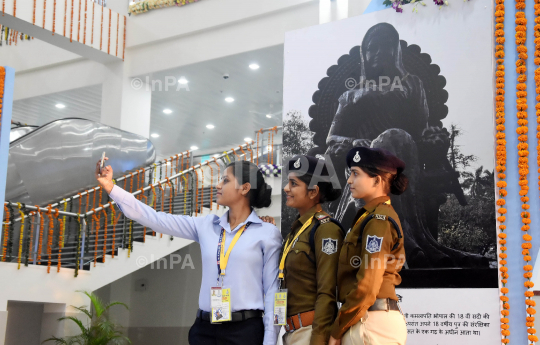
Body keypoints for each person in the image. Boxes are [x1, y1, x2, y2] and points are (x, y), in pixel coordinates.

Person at [95, 158, 282, 345]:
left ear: (245, 188)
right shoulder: (206, 225)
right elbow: (154, 219)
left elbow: (273, 292)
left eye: (225, 180)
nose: (217, 185)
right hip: (204, 331)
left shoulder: (267, 233)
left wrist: (270, 342)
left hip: (245, 332)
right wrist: (111, 187)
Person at [329, 147, 408, 345]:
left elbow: (367, 285)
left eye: (356, 174)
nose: (349, 180)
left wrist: (337, 330)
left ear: (377, 180)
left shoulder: (378, 220)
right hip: (370, 319)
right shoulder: (370, 216)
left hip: (370, 322)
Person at [279, 155, 344, 345]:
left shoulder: (326, 228)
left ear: (313, 192)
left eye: (293, 183)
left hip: (311, 332)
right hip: (292, 332)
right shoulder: (297, 230)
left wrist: (318, 339)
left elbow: (327, 291)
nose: (286, 188)